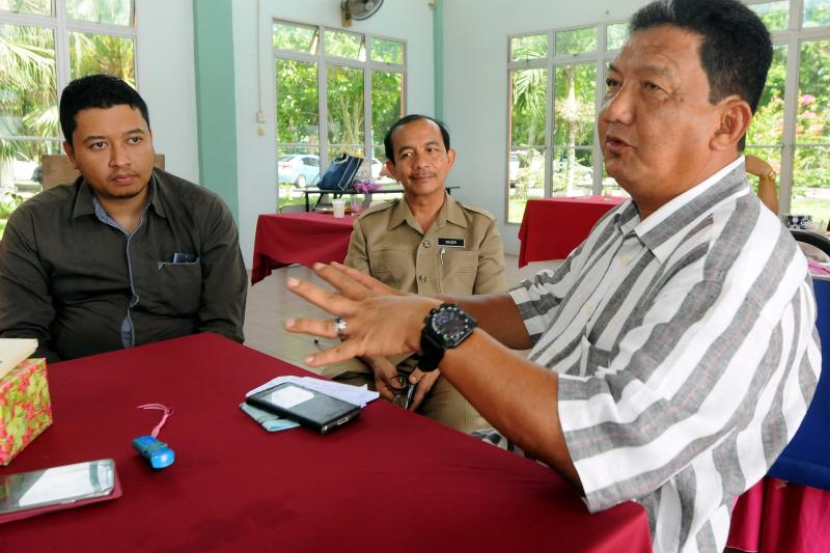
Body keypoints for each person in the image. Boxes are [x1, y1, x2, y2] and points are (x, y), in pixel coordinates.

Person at [284, 1, 821, 551]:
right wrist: (411, 311)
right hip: (523, 477)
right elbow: (546, 303)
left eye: (652, 89)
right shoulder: (630, 217)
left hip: (619, 533)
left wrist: (434, 325)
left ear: (728, 123)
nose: (614, 110)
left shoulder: (736, 261)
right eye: (613, 83)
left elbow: (614, 437)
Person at [0, 74, 247, 361]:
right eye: (98, 145)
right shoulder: (33, 224)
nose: (121, 160)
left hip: (185, 373)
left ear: (150, 138)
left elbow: (223, 328)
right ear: (72, 154)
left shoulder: (205, 212)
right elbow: (22, 336)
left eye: (134, 139)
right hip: (77, 379)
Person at [325, 114, 507, 433]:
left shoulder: (480, 227)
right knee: (338, 414)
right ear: (392, 169)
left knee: (460, 427)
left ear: (449, 159)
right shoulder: (369, 228)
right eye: (407, 154)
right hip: (378, 352)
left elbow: (494, 313)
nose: (421, 163)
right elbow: (350, 310)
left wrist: (441, 360)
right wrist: (377, 363)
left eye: (431, 150)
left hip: (455, 357)